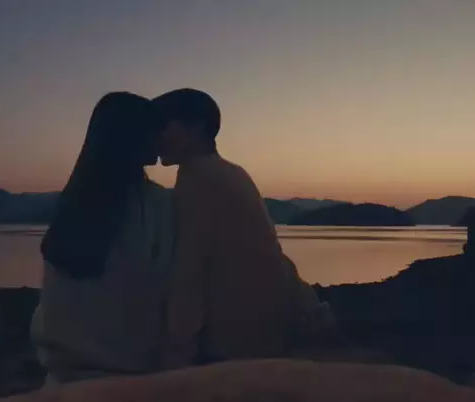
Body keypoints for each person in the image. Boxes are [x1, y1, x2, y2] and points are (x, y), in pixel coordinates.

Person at [152, 88, 350, 369]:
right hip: (269, 334)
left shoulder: (198, 178)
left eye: (162, 125)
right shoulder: (233, 172)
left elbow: (189, 272)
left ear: (196, 127)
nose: (155, 136)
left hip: (234, 349)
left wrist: (176, 356)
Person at [30, 92, 174, 384]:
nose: (163, 137)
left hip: (62, 368)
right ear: (135, 136)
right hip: (129, 371)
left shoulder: (74, 202)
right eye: (155, 129)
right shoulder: (155, 204)